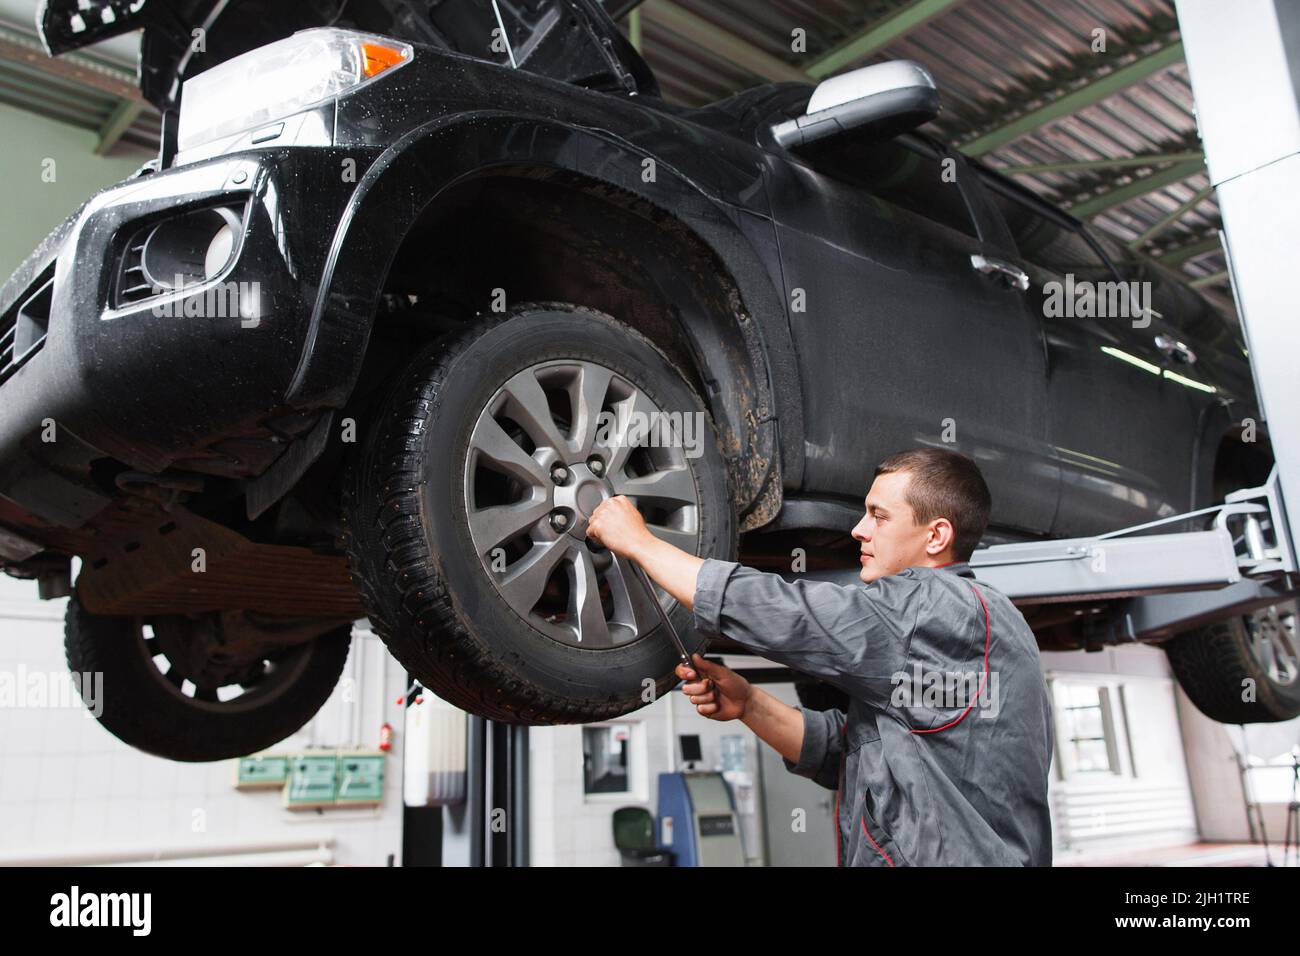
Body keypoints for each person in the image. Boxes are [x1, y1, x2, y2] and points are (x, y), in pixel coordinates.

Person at [585, 447, 1054, 866]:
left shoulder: (939, 608)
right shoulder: (971, 623)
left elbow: (794, 615)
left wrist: (640, 543)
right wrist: (749, 704)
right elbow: (852, 754)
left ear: (936, 537)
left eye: (879, 516)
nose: (858, 529)